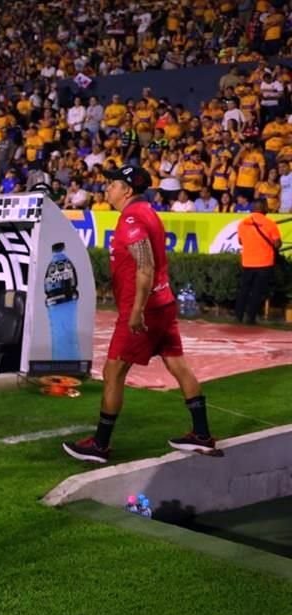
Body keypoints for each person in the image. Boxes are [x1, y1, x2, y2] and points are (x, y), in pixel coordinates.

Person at [63, 165, 216, 464]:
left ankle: (100, 445)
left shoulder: (132, 218)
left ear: (128, 190)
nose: (108, 188)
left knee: (113, 373)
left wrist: (135, 312)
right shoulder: (146, 212)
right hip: (162, 302)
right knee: (178, 365)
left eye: (114, 184)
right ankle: (201, 435)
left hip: (143, 309)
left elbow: (144, 266)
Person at [234, 199, 282, 324]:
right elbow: (277, 244)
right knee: (257, 291)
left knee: (244, 289)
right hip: (264, 263)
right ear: (263, 207)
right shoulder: (270, 223)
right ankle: (251, 317)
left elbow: (240, 241)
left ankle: (238, 315)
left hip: (248, 262)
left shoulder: (243, 223)